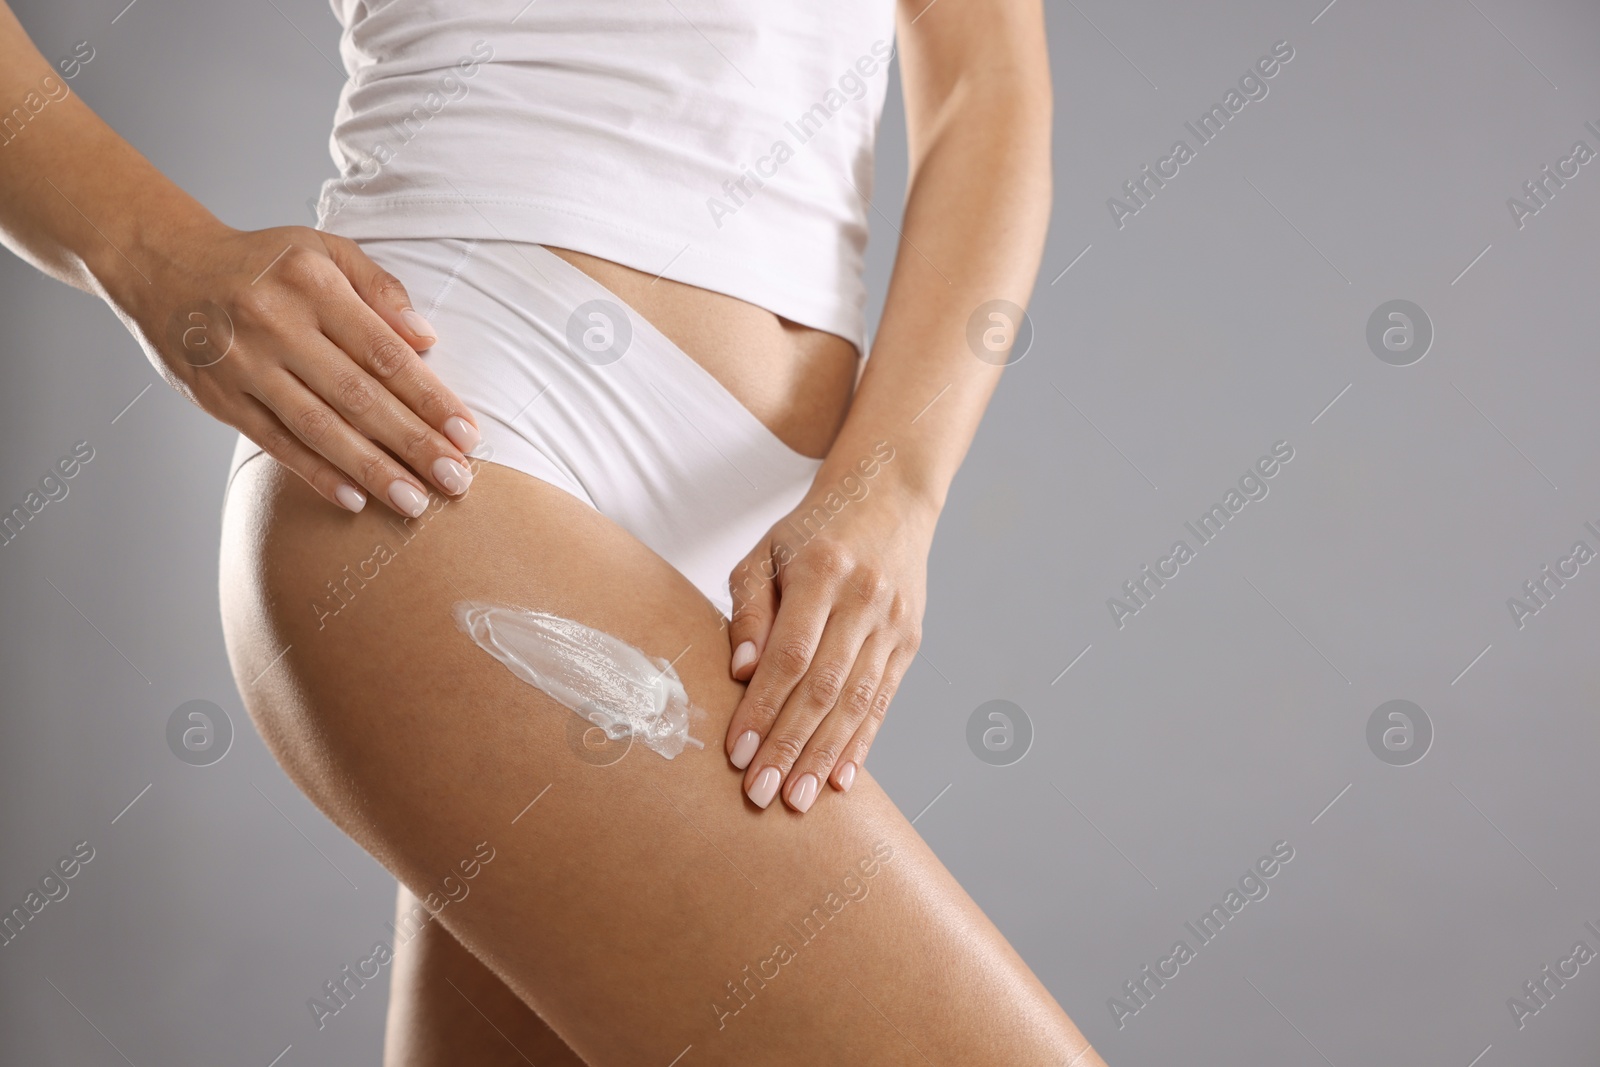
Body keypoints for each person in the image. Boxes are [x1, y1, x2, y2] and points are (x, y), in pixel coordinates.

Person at [0, 0, 1107, 1062]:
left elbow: (985, 86)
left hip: (761, 533)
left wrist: (895, 479)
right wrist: (143, 251)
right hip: (455, 440)